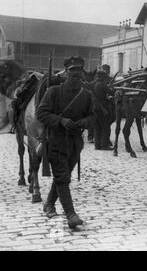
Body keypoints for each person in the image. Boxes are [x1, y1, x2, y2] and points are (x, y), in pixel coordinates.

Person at [36, 56, 96, 229]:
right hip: (55, 140)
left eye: (79, 71)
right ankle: (71, 215)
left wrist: (85, 122)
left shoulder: (86, 95)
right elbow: (41, 113)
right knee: (63, 178)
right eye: (72, 71)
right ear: (66, 73)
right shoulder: (53, 92)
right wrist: (61, 121)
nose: (76, 74)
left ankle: (48, 204)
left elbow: (93, 116)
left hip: (76, 143)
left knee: (63, 177)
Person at [92, 68, 114, 150]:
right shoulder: (103, 84)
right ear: (102, 77)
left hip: (95, 108)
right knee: (105, 127)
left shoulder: (94, 84)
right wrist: (113, 88)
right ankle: (105, 145)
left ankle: (97, 145)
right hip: (102, 108)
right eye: (105, 76)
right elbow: (112, 93)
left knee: (97, 127)